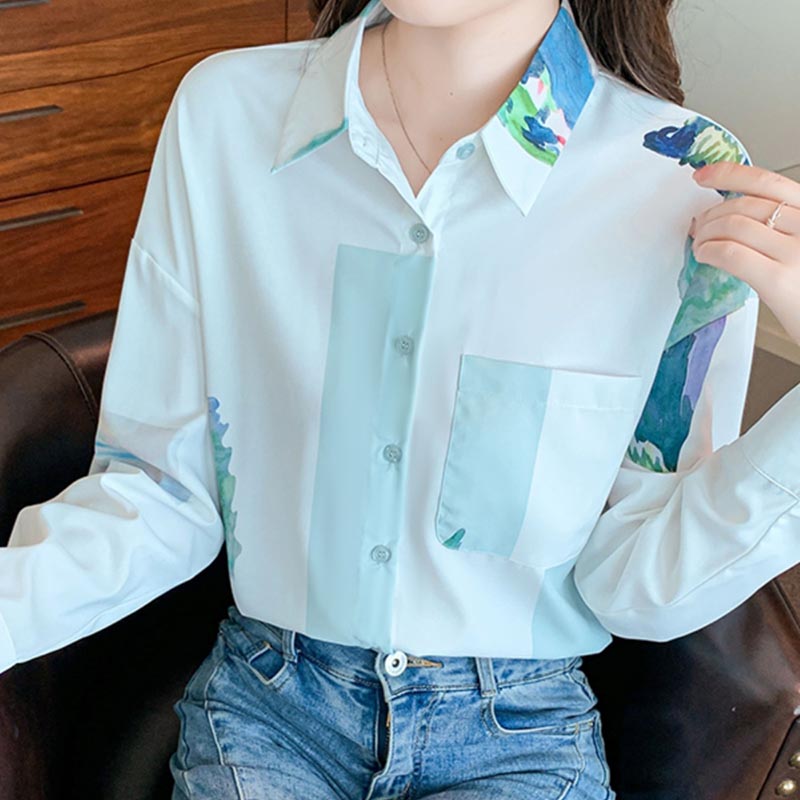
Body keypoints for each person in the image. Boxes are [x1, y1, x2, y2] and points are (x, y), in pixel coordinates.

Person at [2, 0, 799, 796]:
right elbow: (160, 492)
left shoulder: (684, 176)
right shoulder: (227, 115)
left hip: (519, 736)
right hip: (269, 711)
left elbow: (637, 580)